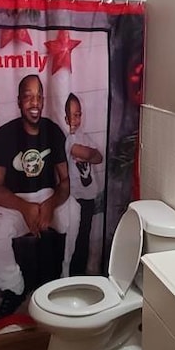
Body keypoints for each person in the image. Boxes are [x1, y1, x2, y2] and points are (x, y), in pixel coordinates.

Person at [0, 74, 79, 318]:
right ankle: (14, 287)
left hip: (47, 196)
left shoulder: (53, 131)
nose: (34, 102)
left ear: (43, 100)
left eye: (38, 97)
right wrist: (24, 207)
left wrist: (51, 204)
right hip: (13, 200)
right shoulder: (3, 136)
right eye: (27, 97)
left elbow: (65, 181)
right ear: (18, 101)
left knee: (73, 211)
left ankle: (63, 277)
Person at [64, 93, 103, 275]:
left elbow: (98, 157)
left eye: (78, 114)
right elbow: (88, 154)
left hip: (88, 196)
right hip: (75, 197)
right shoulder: (69, 139)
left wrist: (89, 153)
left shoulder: (84, 137)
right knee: (74, 239)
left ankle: (80, 274)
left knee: (85, 236)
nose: (75, 119)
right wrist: (88, 153)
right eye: (71, 115)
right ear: (65, 118)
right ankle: (71, 274)